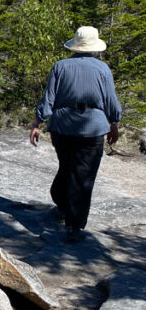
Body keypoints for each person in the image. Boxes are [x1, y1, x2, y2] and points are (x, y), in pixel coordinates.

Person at [29, 25, 121, 242]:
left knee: (68, 166)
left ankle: (62, 204)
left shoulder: (60, 66)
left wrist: (37, 123)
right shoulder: (102, 69)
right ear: (95, 47)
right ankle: (74, 225)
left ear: (75, 45)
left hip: (62, 126)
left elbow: (48, 98)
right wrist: (114, 123)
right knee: (84, 176)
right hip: (93, 127)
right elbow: (111, 101)